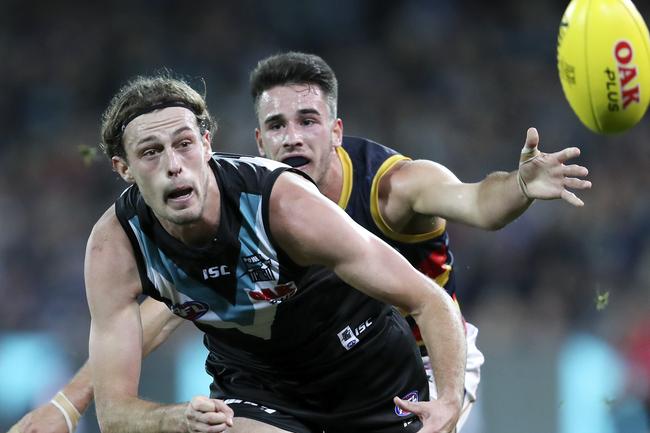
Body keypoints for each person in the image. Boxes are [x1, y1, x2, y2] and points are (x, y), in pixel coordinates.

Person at [8, 53, 590, 433]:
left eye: (308, 121)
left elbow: (478, 206)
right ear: (256, 139)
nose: (293, 139)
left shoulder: (389, 188)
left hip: (414, 358)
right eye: (277, 128)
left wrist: (518, 186)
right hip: (275, 378)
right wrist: (70, 403)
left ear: (335, 130)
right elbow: (166, 309)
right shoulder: (148, 230)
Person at [85, 73, 467, 433]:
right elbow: (114, 412)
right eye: (151, 152)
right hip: (258, 387)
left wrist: (449, 401)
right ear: (124, 168)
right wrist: (178, 418)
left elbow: (428, 300)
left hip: (367, 374)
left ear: (206, 145)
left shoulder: (281, 204)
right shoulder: (115, 247)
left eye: (184, 144)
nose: (173, 166)